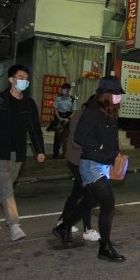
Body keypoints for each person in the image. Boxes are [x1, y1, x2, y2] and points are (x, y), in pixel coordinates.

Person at [53, 76, 125, 262]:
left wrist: (115, 150)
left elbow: (111, 135)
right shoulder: (92, 112)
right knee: (108, 203)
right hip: (91, 164)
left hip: (103, 163)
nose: (119, 97)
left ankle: (63, 226)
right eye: (116, 94)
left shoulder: (111, 110)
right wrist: (100, 146)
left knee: (89, 202)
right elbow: (79, 136)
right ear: (106, 94)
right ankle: (105, 247)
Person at [0, 64, 46, 241]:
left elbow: (34, 129)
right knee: (7, 187)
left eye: (26, 79)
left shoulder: (29, 103)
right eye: (21, 77)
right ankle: (14, 224)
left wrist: (39, 150)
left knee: (4, 185)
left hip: (18, 152)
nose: (24, 81)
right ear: (11, 80)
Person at [56, 95, 101, 246]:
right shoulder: (79, 117)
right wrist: (97, 145)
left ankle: (63, 220)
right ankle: (87, 230)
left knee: (78, 192)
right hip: (77, 161)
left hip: (84, 161)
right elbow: (77, 142)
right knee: (88, 194)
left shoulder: (91, 116)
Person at [52, 82, 77, 159]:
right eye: (64, 89)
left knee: (67, 137)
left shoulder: (72, 99)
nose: (66, 91)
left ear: (69, 90)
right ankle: (55, 154)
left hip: (68, 117)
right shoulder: (58, 98)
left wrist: (68, 119)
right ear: (62, 89)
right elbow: (55, 109)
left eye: (67, 89)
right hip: (59, 117)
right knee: (57, 137)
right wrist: (59, 118)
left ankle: (65, 154)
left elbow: (74, 111)